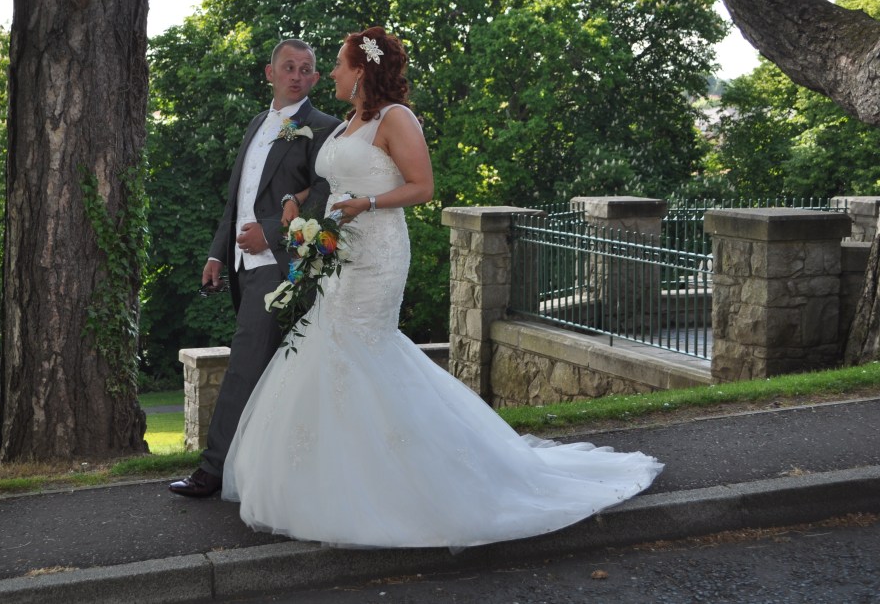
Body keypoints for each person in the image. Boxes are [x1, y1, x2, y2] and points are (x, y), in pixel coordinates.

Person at [220, 27, 664, 548]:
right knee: (329, 348)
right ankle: (329, 479)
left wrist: (369, 204)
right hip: (342, 254)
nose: (331, 73)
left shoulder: (396, 118)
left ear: (361, 71)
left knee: (360, 348)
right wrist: (295, 202)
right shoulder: (346, 124)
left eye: (338, 64)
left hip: (379, 253)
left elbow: (423, 187)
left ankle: (414, 479)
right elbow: (331, 182)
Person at [168, 38, 342, 498]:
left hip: (283, 268)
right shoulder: (255, 124)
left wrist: (271, 232)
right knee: (271, 372)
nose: (297, 75)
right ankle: (273, 469)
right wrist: (218, 253)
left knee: (244, 365)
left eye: (306, 69)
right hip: (243, 265)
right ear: (270, 73)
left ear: (316, 78)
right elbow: (237, 197)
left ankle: (213, 469)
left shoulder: (325, 127)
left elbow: (327, 193)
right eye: (289, 67)